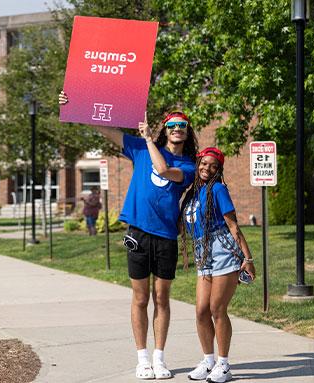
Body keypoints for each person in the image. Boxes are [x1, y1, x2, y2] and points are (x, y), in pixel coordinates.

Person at [60, 91, 198, 380]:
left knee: (162, 298)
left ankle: (159, 358)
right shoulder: (137, 148)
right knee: (139, 298)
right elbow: (104, 129)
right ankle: (142, 359)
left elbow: (163, 169)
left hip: (166, 237)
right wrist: (75, 106)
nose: (176, 130)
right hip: (138, 232)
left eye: (181, 126)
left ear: (187, 133)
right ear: (165, 129)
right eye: (171, 125)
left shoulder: (188, 166)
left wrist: (148, 138)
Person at [180, 147, 256, 383]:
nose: (207, 169)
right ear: (198, 164)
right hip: (203, 253)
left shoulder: (218, 189)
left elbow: (233, 226)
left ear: (219, 169)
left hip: (223, 250)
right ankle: (208, 360)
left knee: (217, 309)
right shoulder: (192, 194)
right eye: (204, 164)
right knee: (201, 310)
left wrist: (248, 259)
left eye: (213, 166)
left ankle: (223, 365)